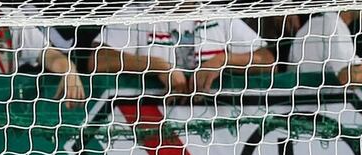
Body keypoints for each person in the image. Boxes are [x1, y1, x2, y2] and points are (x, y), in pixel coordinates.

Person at [98, 17, 274, 97]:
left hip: (215, 131)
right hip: (151, 127)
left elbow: (268, 61)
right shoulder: (136, 13)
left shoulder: (219, 15)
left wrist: (223, 60)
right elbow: (99, 60)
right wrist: (156, 65)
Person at [288, 11, 362, 85]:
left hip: (307, 100)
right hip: (319, 102)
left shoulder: (317, 22)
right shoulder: (334, 25)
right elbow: (347, 78)